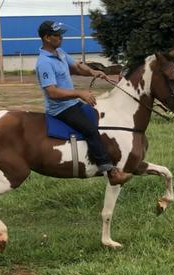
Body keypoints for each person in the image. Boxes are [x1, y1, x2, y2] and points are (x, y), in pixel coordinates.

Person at [35, 20, 131, 186]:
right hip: (60, 108)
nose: (60, 38)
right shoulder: (44, 62)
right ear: (46, 38)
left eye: (60, 34)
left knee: (99, 120)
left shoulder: (60, 53)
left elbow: (78, 68)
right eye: (56, 35)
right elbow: (51, 92)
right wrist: (79, 93)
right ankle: (110, 171)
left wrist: (93, 72)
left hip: (71, 103)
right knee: (90, 129)